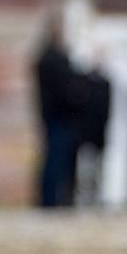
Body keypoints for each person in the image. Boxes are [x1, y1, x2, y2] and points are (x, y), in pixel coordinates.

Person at [34, 11, 87, 209]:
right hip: (60, 118)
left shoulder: (46, 57)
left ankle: (53, 200)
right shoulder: (54, 59)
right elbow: (66, 90)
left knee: (56, 160)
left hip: (55, 117)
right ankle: (51, 201)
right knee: (56, 161)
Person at [75, 53, 111, 208]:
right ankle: (84, 202)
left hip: (99, 137)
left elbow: (107, 112)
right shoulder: (84, 83)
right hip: (86, 137)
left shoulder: (106, 84)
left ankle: (95, 202)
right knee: (85, 174)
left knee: (97, 172)